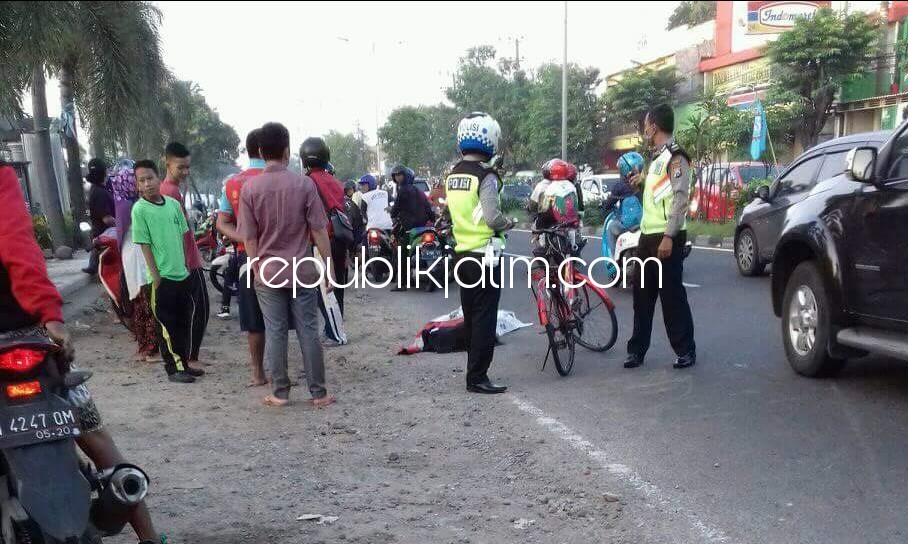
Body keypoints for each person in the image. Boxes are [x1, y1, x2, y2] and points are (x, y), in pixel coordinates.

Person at [0, 163, 161, 544]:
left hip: (27, 335)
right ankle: (151, 538)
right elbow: (18, 247)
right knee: (94, 435)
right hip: (28, 333)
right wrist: (51, 318)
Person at [237, 122, 336, 408]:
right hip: (302, 269)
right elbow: (318, 231)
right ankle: (319, 393)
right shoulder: (304, 184)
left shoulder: (250, 188)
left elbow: (249, 236)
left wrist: (256, 266)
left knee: (276, 330)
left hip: (268, 272)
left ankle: (280, 393)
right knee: (308, 328)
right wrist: (327, 268)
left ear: (259, 151)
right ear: (286, 150)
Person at [444, 112, 515, 394]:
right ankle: (477, 377)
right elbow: (491, 217)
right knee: (485, 318)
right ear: (490, 141)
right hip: (484, 255)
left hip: (462, 255)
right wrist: (508, 222)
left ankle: (472, 372)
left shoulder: (453, 176)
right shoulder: (485, 176)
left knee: (472, 316)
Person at [624, 104, 696, 370]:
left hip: (667, 239)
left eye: (646, 124)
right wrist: (640, 185)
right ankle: (636, 351)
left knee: (671, 297)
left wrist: (669, 236)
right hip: (647, 237)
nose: (644, 129)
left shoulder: (676, 158)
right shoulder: (656, 159)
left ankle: (686, 350)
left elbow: (679, 198)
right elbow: (657, 196)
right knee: (641, 297)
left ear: (654, 126)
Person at [132, 160, 203, 384]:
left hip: (181, 273)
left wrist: (185, 266)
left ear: (158, 178)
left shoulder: (173, 205)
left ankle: (184, 363)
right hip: (161, 279)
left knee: (184, 322)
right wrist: (157, 278)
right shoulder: (140, 210)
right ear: (138, 185)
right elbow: (144, 245)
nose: (147, 184)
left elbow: (184, 236)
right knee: (166, 325)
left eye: (150, 178)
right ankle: (174, 369)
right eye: (141, 180)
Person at [216, 129, 268, 387]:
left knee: (253, 318)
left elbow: (221, 222)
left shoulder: (233, 184)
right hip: (285, 258)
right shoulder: (286, 178)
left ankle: (258, 373)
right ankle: (285, 372)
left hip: (247, 258)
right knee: (288, 317)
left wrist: (242, 237)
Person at [161, 142, 209, 367]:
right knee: (198, 310)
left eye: (188, 167)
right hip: (186, 260)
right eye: (181, 167)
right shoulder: (169, 191)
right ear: (167, 164)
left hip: (186, 258)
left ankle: (189, 356)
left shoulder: (171, 190)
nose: (186, 172)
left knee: (193, 310)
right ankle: (190, 357)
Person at [109, 159, 159, 362]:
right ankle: (150, 348)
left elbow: (120, 234)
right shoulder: (139, 205)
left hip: (131, 255)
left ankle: (146, 347)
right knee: (147, 302)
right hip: (141, 257)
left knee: (140, 302)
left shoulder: (122, 205)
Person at [301, 138, 351, 342]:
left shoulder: (307, 182)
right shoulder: (334, 181)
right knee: (337, 285)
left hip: (323, 239)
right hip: (340, 238)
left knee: (325, 289)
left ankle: (334, 333)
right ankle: (336, 327)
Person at [389, 164, 435, 289]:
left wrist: (393, 213)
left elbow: (396, 208)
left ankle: (402, 284)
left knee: (402, 254)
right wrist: (432, 219)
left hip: (410, 229)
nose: (397, 178)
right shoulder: (419, 191)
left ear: (406, 176)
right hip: (423, 227)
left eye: (400, 175)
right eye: (395, 175)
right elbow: (428, 208)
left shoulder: (402, 191)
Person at [602, 151, 644, 259]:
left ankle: (614, 259)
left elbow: (609, 203)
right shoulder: (645, 183)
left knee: (611, 228)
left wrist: (604, 207)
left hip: (627, 225)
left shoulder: (621, 185)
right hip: (645, 224)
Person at [83, 158, 116, 275]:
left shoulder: (95, 190)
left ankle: (93, 264)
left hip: (99, 232)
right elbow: (107, 219)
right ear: (104, 172)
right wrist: (122, 224)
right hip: (106, 234)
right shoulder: (100, 193)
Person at [344, 180, 365, 248]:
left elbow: (354, 211)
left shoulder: (357, 195)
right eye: (347, 190)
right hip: (354, 222)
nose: (348, 191)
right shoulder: (346, 199)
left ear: (354, 188)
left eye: (350, 189)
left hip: (359, 222)